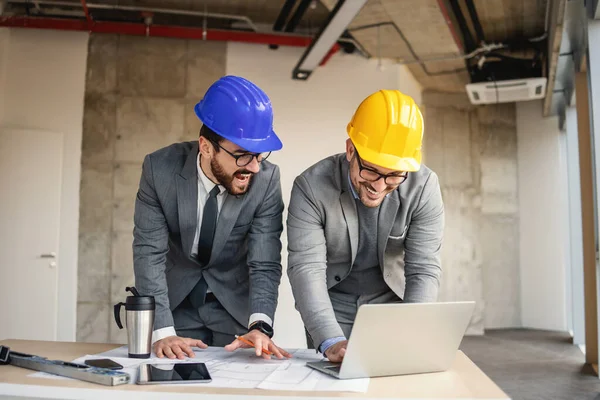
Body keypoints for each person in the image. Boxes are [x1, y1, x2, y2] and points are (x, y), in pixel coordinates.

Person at [133, 75, 290, 361]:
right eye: (242, 155)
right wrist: (163, 330)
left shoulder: (266, 180)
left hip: (234, 307)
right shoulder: (159, 169)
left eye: (259, 155)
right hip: (175, 304)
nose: (253, 168)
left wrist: (260, 325)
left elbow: (264, 263)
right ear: (206, 147)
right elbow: (149, 253)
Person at [286, 89, 444, 362]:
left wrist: (415, 330)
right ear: (350, 150)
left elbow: (423, 269)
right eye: (370, 170)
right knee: (337, 381)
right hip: (333, 304)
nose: (379, 186)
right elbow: (306, 268)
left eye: (394, 175)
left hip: (392, 301)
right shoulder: (310, 187)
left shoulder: (424, 188)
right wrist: (330, 339)